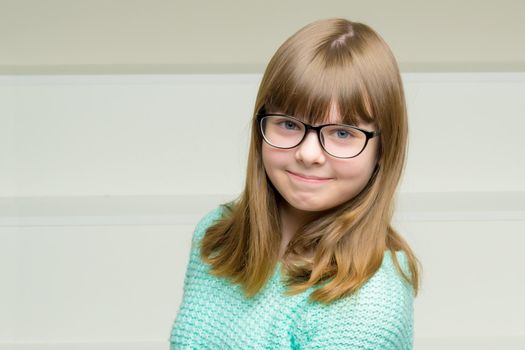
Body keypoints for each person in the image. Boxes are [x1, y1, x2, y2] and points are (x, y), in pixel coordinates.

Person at [170, 17, 421, 349]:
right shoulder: (216, 236)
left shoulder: (368, 306)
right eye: (289, 124)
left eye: (343, 133)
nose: (308, 153)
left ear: (382, 149)